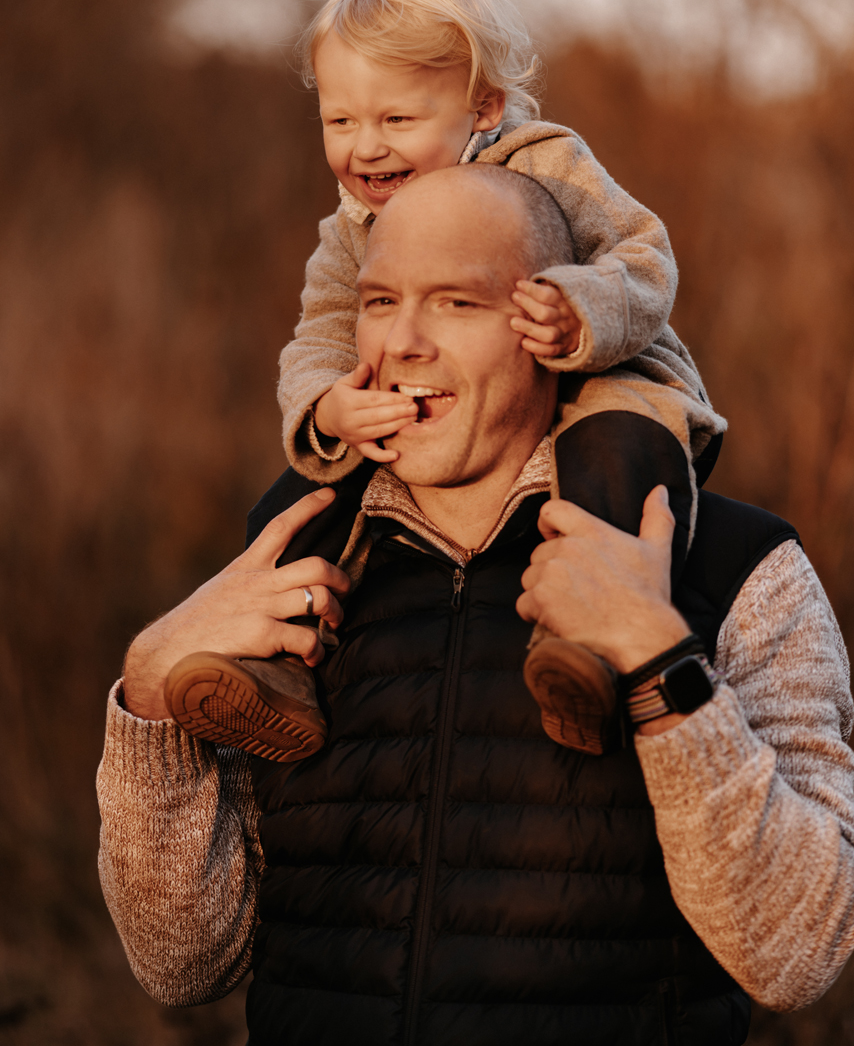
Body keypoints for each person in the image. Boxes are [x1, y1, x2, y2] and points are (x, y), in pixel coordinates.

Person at [98, 164, 854, 1046]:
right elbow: (181, 966)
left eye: (456, 303)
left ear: (556, 325)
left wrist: (661, 664)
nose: (404, 342)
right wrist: (150, 701)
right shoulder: (289, 565)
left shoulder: (733, 567)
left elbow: (800, 955)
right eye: (379, 302)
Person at [162, 0, 727, 764]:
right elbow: (319, 332)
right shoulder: (352, 228)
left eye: (397, 121)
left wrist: (580, 307)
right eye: (341, 121)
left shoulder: (547, 166)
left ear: (483, 107)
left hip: (607, 378)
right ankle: (274, 669)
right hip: (423, 407)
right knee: (296, 507)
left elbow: (643, 259)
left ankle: (587, 649)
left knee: (617, 458)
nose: (366, 149)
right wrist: (327, 405)